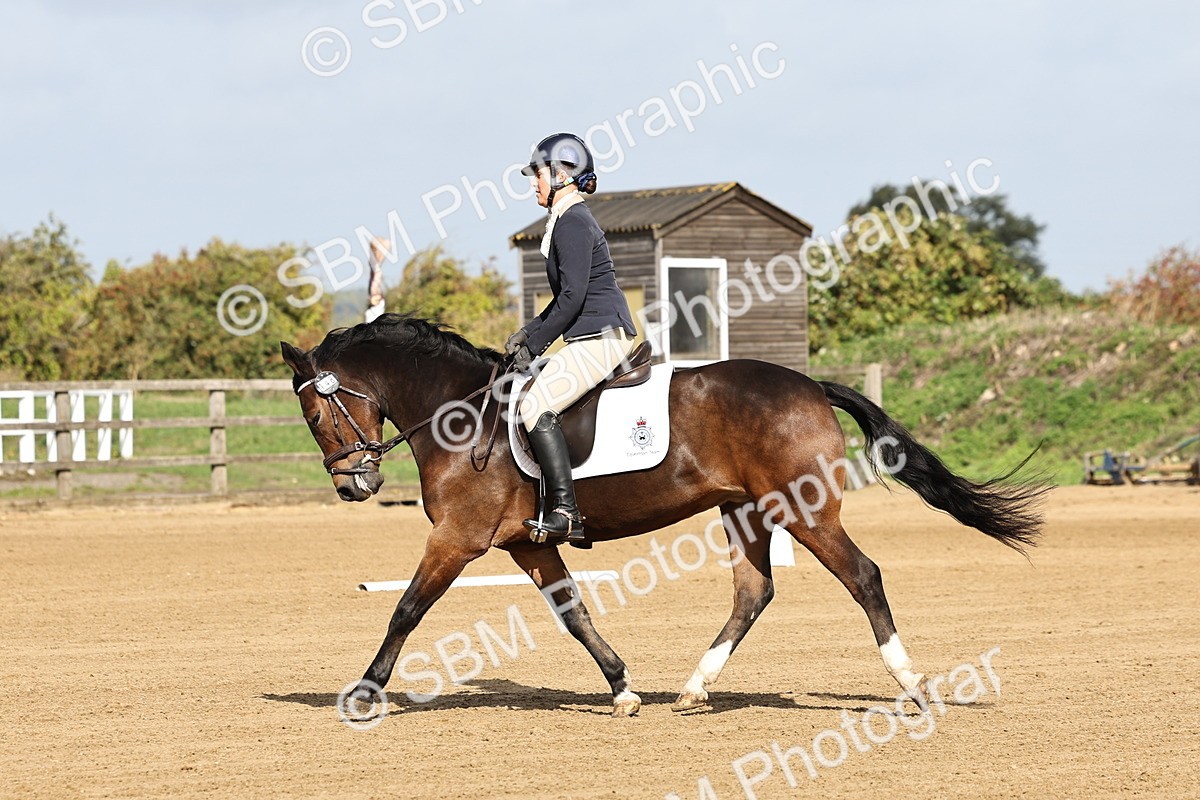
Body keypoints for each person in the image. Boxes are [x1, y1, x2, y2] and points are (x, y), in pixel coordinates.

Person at [505, 133, 638, 544]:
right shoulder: (566, 219)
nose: (533, 183)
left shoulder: (573, 222)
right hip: (590, 335)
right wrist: (528, 332)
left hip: (603, 337)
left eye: (538, 174)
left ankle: (566, 511)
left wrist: (536, 344)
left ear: (561, 175)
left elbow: (573, 297)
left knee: (534, 406)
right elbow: (566, 297)